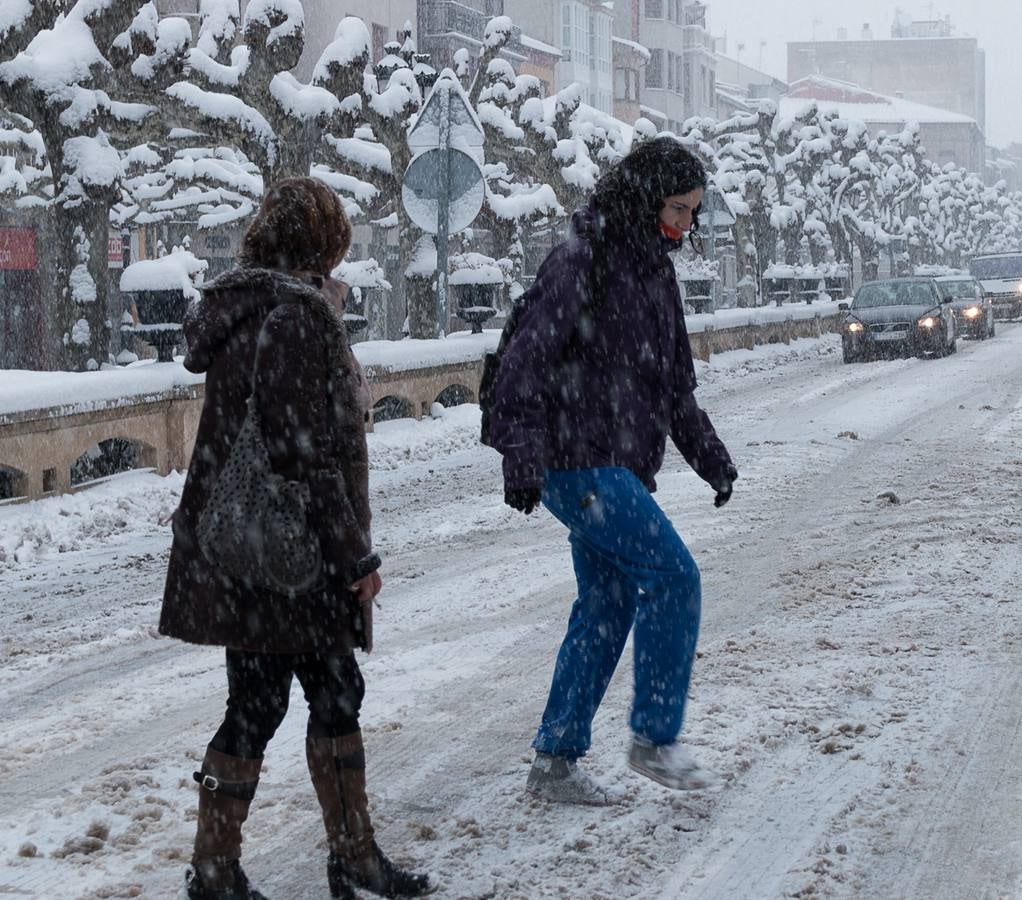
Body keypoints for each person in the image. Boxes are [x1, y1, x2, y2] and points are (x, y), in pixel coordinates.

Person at [160, 178, 433, 900]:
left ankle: (225, 867)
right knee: (325, 692)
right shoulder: (296, 318)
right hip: (294, 555)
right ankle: (347, 860)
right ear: (322, 243)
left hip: (242, 546)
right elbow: (301, 451)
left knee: (271, 700)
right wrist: (354, 556)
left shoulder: (246, 310)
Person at [488, 137, 738, 805]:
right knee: (674, 577)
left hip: (614, 461)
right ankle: (654, 738)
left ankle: (555, 761)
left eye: (693, 214)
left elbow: (674, 387)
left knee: (607, 603)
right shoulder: (583, 260)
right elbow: (524, 361)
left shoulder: (655, 272)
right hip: (578, 462)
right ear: (645, 197)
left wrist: (711, 459)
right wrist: (520, 453)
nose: (685, 226)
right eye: (679, 210)